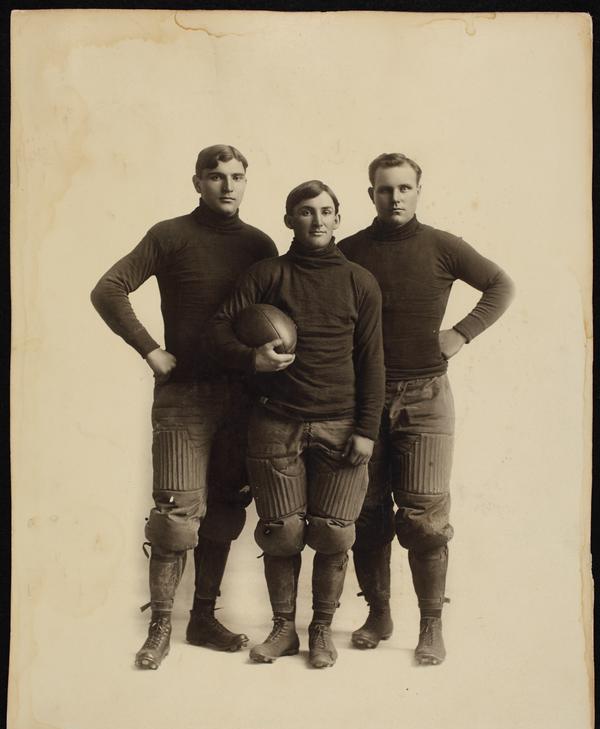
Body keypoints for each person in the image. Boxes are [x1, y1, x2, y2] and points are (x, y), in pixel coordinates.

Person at [90, 144, 278, 669]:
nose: (228, 186)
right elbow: (108, 289)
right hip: (185, 397)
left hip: (241, 397)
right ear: (197, 182)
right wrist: (151, 350)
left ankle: (202, 618)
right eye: (216, 176)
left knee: (226, 507)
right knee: (176, 517)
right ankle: (159, 629)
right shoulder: (169, 235)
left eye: (237, 176)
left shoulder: (260, 244)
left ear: (246, 182)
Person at [338, 153, 515, 665]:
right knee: (366, 512)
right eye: (384, 189)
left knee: (425, 519)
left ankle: (431, 626)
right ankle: (378, 615)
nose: (395, 197)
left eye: (404, 188)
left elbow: (501, 285)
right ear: (370, 194)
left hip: (426, 398)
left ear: (418, 190)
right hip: (362, 400)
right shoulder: (349, 253)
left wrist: (461, 332)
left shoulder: (442, 246)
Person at [211, 180, 384, 668]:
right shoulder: (267, 274)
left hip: (341, 424)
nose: (317, 220)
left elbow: (373, 361)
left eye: (326, 211)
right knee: (281, 532)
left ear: (338, 219)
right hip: (276, 421)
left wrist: (367, 429)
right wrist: (251, 357)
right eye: (306, 212)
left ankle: (321, 629)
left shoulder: (360, 281)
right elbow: (218, 329)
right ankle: (283, 629)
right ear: (289, 219)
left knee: (333, 533)